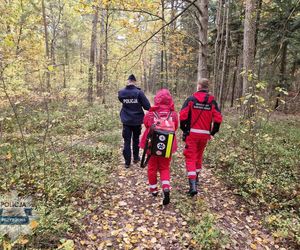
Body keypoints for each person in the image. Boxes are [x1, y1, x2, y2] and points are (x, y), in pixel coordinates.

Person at [180, 78, 223, 196]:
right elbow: (218, 118)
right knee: (198, 156)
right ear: (207, 87)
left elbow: (182, 116)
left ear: (199, 86)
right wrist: (212, 132)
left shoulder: (191, 99)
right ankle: (196, 178)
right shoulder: (212, 101)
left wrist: (184, 130)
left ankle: (192, 186)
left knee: (190, 158)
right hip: (204, 135)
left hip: (192, 134)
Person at [139, 89, 178, 205]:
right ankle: (166, 187)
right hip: (167, 145)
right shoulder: (173, 114)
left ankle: (154, 190)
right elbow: (175, 128)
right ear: (170, 100)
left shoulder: (151, 113)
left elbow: (146, 125)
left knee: (152, 168)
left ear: (157, 99)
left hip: (151, 145)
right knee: (164, 167)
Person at [118, 74, 150, 168]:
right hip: (136, 121)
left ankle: (127, 162)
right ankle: (136, 158)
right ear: (134, 82)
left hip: (126, 121)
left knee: (126, 141)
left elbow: (121, 100)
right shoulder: (139, 93)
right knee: (135, 139)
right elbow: (147, 106)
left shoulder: (121, 92)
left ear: (127, 81)